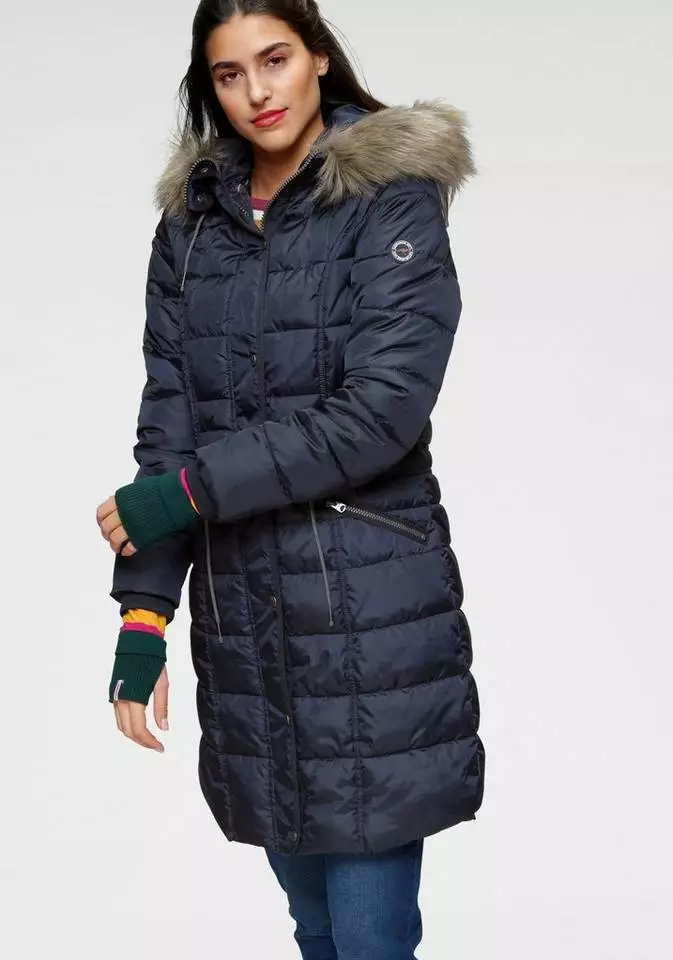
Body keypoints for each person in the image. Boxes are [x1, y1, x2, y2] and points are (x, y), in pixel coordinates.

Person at [96, 1, 484, 957]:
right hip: (248, 620)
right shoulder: (193, 227)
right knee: (313, 926)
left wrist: (184, 495)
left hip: (368, 608)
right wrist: (143, 612)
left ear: (316, 58)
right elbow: (171, 420)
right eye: (228, 74)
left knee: (369, 938)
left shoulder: (389, 199)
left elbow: (379, 412)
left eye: (273, 60)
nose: (256, 92)